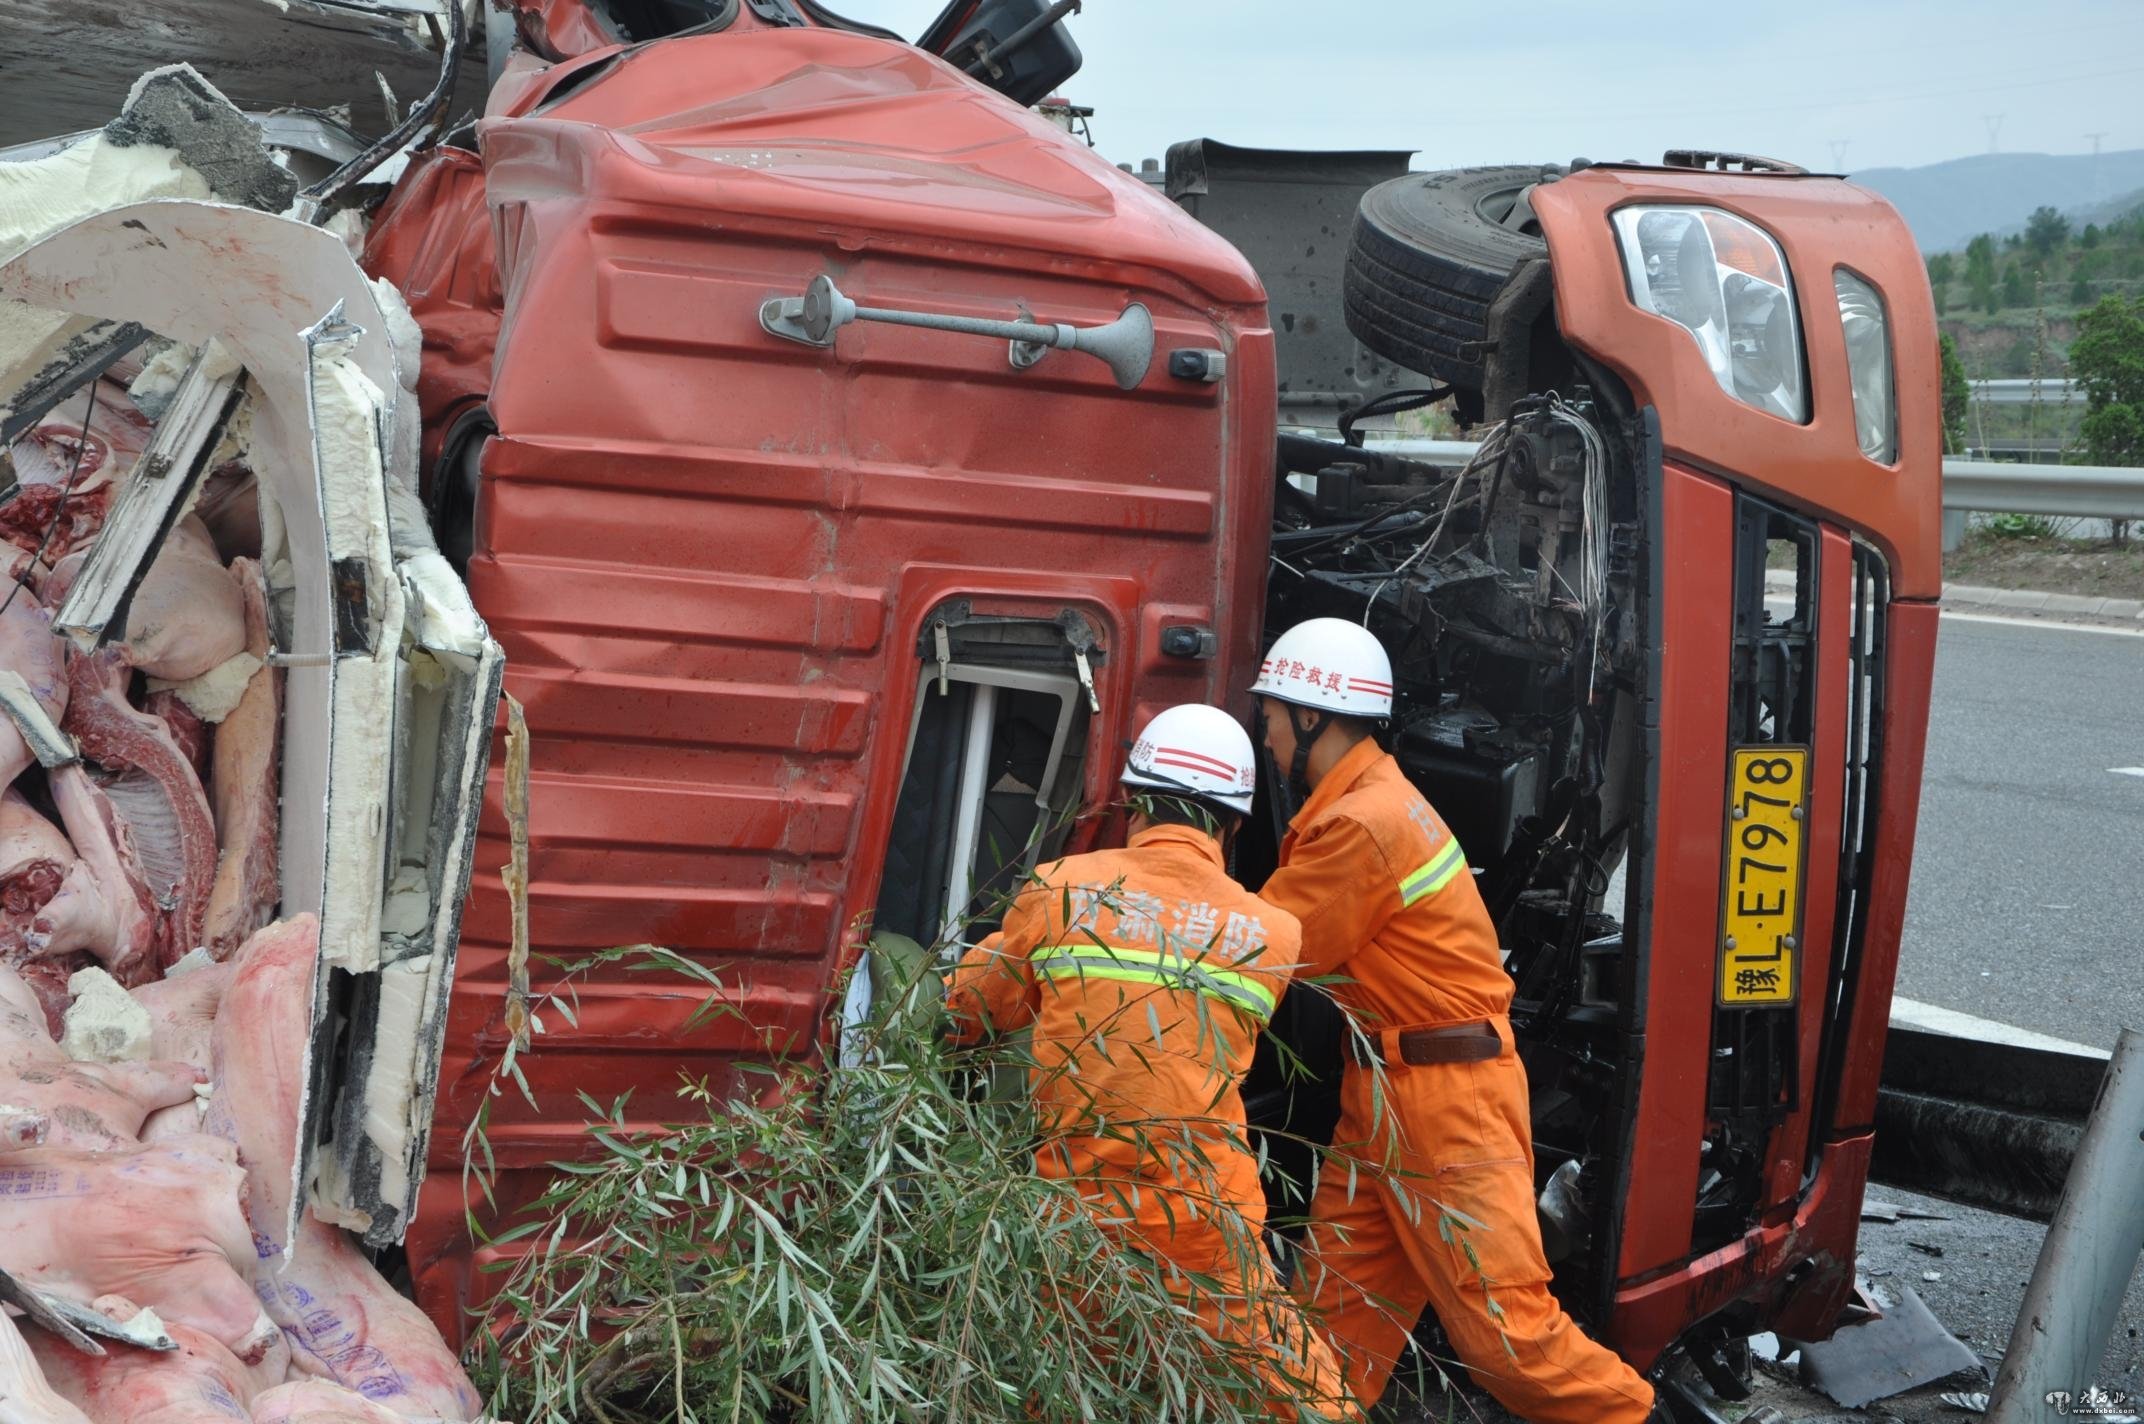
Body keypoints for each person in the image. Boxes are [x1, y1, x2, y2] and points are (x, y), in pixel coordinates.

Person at [1251, 617, 1659, 1424]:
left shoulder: (1360, 826)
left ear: (1311, 717)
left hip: (1443, 1103)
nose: (1264, 735)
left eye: (1269, 716)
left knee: (1511, 1342)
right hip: (1397, 1095)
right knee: (1329, 1338)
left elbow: (1259, 948)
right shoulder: (1377, 802)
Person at [944, 702, 1351, 1421]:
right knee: (1309, 1402)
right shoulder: (1273, 932)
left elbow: (969, 1012)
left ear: (1131, 803)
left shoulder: (1059, 889)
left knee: (1053, 1392)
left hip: (1074, 1222)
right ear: (1232, 827)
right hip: (1203, 1221)